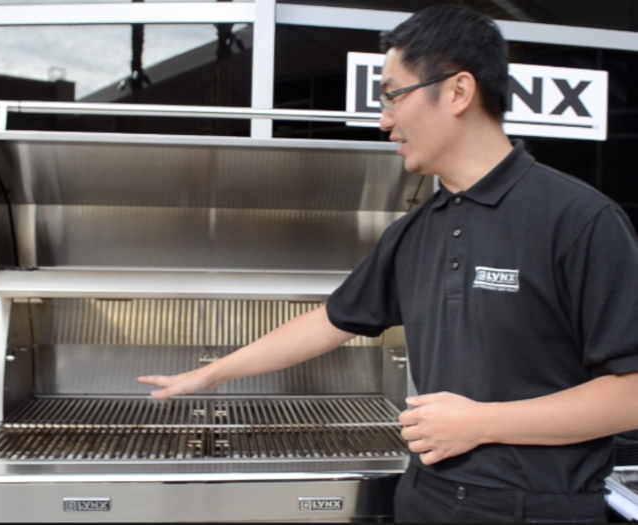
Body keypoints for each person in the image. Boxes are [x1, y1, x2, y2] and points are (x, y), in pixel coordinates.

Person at [139, 4, 638, 522]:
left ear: (458, 91)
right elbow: (331, 320)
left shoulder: (579, 220)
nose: (385, 121)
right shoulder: (417, 229)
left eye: (393, 95)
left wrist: (484, 423)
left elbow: (631, 396)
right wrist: (211, 375)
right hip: (426, 497)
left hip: (534, 509)